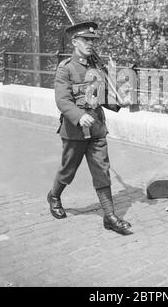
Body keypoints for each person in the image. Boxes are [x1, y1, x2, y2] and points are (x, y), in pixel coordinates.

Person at [47, 21, 132, 234]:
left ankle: (110, 216)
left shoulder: (96, 68)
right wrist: (79, 115)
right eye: (86, 40)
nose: (90, 44)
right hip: (75, 131)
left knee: (102, 171)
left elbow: (101, 96)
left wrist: (118, 102)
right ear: (75, 42)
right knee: (68, 170)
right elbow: (63, 100)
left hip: (96, 129)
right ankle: (54, 196)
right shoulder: (65, 69)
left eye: (93, 40)